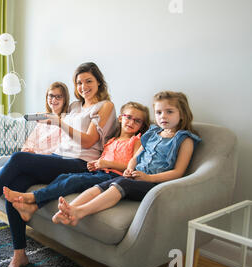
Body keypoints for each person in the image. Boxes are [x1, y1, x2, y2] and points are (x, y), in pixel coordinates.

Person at [0, 62, 118, 267]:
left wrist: (59, 123)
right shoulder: (74, 106)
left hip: (81, 162)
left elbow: (90, 140)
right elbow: (61, 128)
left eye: (88, 81)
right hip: (59, 157)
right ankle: (19, 254)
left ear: (99, 81)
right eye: (79, 82)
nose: (83, 86)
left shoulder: (105, 106)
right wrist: (50, 121)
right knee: (14, 186)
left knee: (18, 158)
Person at [53, 91, 201, 226]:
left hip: (155, 185)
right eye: (159, 112)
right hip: (135, 177)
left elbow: (178, 172)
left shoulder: (184, 139)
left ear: (182, 114)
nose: (163, 116)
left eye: (169, 112)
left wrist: (149, 178)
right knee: (103, 185)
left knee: (123, 184)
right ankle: (69, 209)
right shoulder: (152, 133)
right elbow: (135, 158)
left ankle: (80, 212)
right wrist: (129, 169)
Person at [3, 101, 150, 222]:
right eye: (128, 117)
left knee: (74, 180)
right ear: (120, 118)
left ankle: (33, 197)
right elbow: (102, 159)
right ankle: (33, 208)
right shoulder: (111, 140)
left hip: (114, 177)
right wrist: (96, 163)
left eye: (137, 120)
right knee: (64, 177)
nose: (131, 122)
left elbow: (132, 166)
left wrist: (107, 164)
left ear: (142, 125)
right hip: (99, 173)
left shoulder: (136, 141)